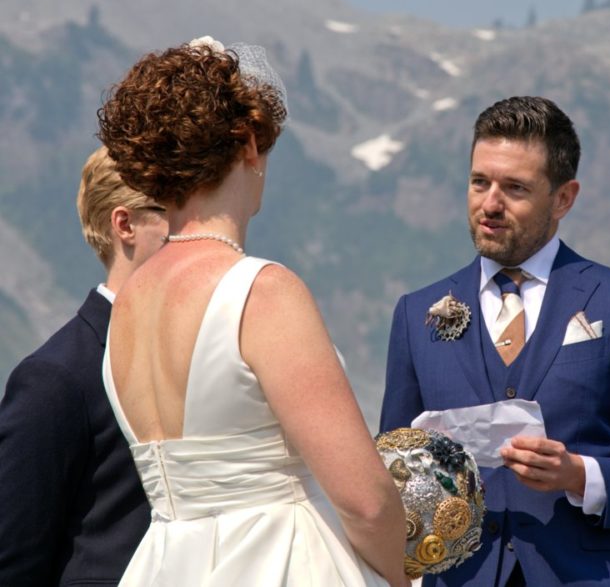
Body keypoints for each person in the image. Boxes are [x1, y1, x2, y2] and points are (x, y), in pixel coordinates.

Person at [96, 37, 409, 586]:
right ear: (245, 144)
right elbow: (365, 501)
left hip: (166, 563)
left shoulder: (127, 305)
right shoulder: (261, 291)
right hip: (280, 561)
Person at [380, 96, 610, 586]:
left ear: (563, 198)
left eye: (514, 188)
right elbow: (392, 474)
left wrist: (580, 475)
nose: (490, 204)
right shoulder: (415, 315)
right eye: (479, 182)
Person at [0, 147, 165, 584]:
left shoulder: (196, 354)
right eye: (174, 212)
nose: (194, 234)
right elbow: (13, 558)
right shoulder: (55, 379)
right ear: (125, 224)